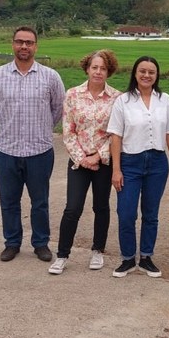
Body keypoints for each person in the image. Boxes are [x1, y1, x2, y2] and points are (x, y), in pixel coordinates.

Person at [0, 26, 65, 263]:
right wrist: (8, 125)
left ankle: (41, 243)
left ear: (36, 46)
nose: (24, 46)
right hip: (7, 150)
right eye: (19, 41)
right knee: (9, 201)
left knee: (40, 202)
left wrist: (42, 127)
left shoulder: (50, 76)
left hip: (39, 150)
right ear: (12, 44)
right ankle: (12, 243)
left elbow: (58, 108)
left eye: (29, 42)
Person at [48, 50, 121, 275]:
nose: (98, 72)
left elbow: (116, 133)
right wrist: (83, 159)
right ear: (87, 69)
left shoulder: (117, 98)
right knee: (73, 208)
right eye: (94, 67)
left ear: (108, 71)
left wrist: (97, 157)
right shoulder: (73, 95)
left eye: (103, 68)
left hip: (104, 161)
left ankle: (98, 250)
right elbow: (68, 130)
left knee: (101, 206)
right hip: (78, 162)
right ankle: (62, 255)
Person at [107, 56, 169, 278]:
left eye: (151, 72)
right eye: (142, 71)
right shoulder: (123, 101)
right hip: (130, 162)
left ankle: (146, 257)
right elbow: (116, 136)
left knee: (151, 213)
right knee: (126, 213)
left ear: (156, 75)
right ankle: (128, 258)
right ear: (135, 73)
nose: (146, 75)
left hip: (157, 163)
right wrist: (116, 169)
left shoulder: (165, 100)